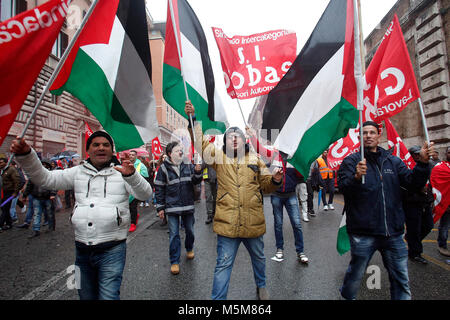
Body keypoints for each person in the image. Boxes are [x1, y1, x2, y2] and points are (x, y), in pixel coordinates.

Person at [10, 131, 152, 300]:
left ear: (111, 151)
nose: (101, 148)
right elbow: (45, 179)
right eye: (96, 144)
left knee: (109, 296)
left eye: (106, 145)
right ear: (88, 151)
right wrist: (27, 155)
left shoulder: (121, 173)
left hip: (113, 250)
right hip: (81, 250)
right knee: (85, 296)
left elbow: (145, 194)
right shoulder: (77, 172)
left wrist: (132, 176)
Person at [186, 101, 283, 300]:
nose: (234, 140)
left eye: (237, 136)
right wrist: (193, 120)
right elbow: (201, 143)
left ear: (244, 140)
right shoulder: (219, 157)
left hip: (253, 221)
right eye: (230, 137)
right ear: (226, 142)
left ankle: (261, 286)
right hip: (227, 223)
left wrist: (274, 180)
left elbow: (266, 185)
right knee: (223, 263)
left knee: (259, 258)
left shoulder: (255, 159)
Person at [338, 121, 434, 300]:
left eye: (372, 132)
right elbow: (344, 188)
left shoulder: (393, 161)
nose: (368, 136)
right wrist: (356, 177)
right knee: (355, 275)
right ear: (360, 137)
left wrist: (422, 164)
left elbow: (412, 183)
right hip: (363, 233)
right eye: (364, 133)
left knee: (401, 280)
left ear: (378, 136)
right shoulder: (351, 161)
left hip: (394, 233)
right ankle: (346, 296)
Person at [245, 127, 308, 262]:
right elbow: (259, 149)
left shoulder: (295, 156)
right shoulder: (273, 154)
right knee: (278, 224)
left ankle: (300, 252)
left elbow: (301, 174)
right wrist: (252, 136)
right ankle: (280, 249)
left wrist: (301, 165)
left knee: (296, 224)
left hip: (291, 194)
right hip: (276, 195)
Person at [154, 141, 203, 275]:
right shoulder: (163, 168)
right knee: (174, 234)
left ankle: (189, 248)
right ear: (170, 154)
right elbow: (159, 188)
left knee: (190, 231)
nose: (180, 152)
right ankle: (174, 261)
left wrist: (198, 172)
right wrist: (160, 208)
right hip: (172, 207)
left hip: (187, 204)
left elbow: (196, 181)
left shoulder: (188, 165)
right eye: (177, 150)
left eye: (181, 150)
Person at [402, 145, 434, 264]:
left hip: (425, 202)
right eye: (415, 154)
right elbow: (407, 184)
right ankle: (415, 253)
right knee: (414, 229)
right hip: (412, 203)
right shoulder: (406, 166)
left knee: (428, 225)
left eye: (418, 154)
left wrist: (430, 199)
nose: (417, 156)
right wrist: (417, 189)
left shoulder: (427, 165)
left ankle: (412, 240)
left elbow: (431, 182)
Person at [23, 159, 56, 238]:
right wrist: (25, 195)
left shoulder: (51, 174)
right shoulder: (34, 174)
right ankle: (36, 229)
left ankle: (51, 227)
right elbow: (29, 185)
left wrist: (53, 194)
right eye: (42, 164)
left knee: (50, 213)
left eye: (45, 164)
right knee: (37, 213)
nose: (43, 166)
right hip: (37, 197)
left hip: (48, 197)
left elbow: (54, 185)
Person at [434, 146, 450, 257]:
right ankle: (442, 245)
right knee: (445, 226)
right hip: (446, 203)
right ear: (446, 154)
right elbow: (436, 183)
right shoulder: (440, 167)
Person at [128, 150, 149, 232]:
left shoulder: (141, 166)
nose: (131, 156)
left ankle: (133, 223)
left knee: (133, 206)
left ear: (136, 156)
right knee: (128, 207)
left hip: (136, 190)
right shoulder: (126, 164)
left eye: (133, 155)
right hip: (127, 190)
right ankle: (135, 216)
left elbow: (146, 178)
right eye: (130, 155)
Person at [0, 157, 20, 231]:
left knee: (5, 208)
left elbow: (17, 181)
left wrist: (15, 192)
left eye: (1, 162)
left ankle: (1, 224)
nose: (0, 164)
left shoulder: (11, 170)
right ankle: (9, 223)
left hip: (9, 192)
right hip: (2, 192)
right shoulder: (1, 171)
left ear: (5, 163)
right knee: (4, 208)